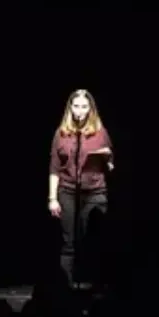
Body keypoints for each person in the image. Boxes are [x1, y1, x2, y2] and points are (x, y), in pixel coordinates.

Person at [47, 89, 114, 290]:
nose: (80, 111)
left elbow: (111, 165)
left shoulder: (100, 132)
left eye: (84, 107)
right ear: (70, 108)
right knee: (68, 241)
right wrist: (52, 198)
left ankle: (96, 287)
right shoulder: (61, 133)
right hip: (68, 190)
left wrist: (106, 159)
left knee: (92, 239)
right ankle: (66, 288)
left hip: (95, 191)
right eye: (76, 106)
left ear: (91, 109)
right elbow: (54, 168)